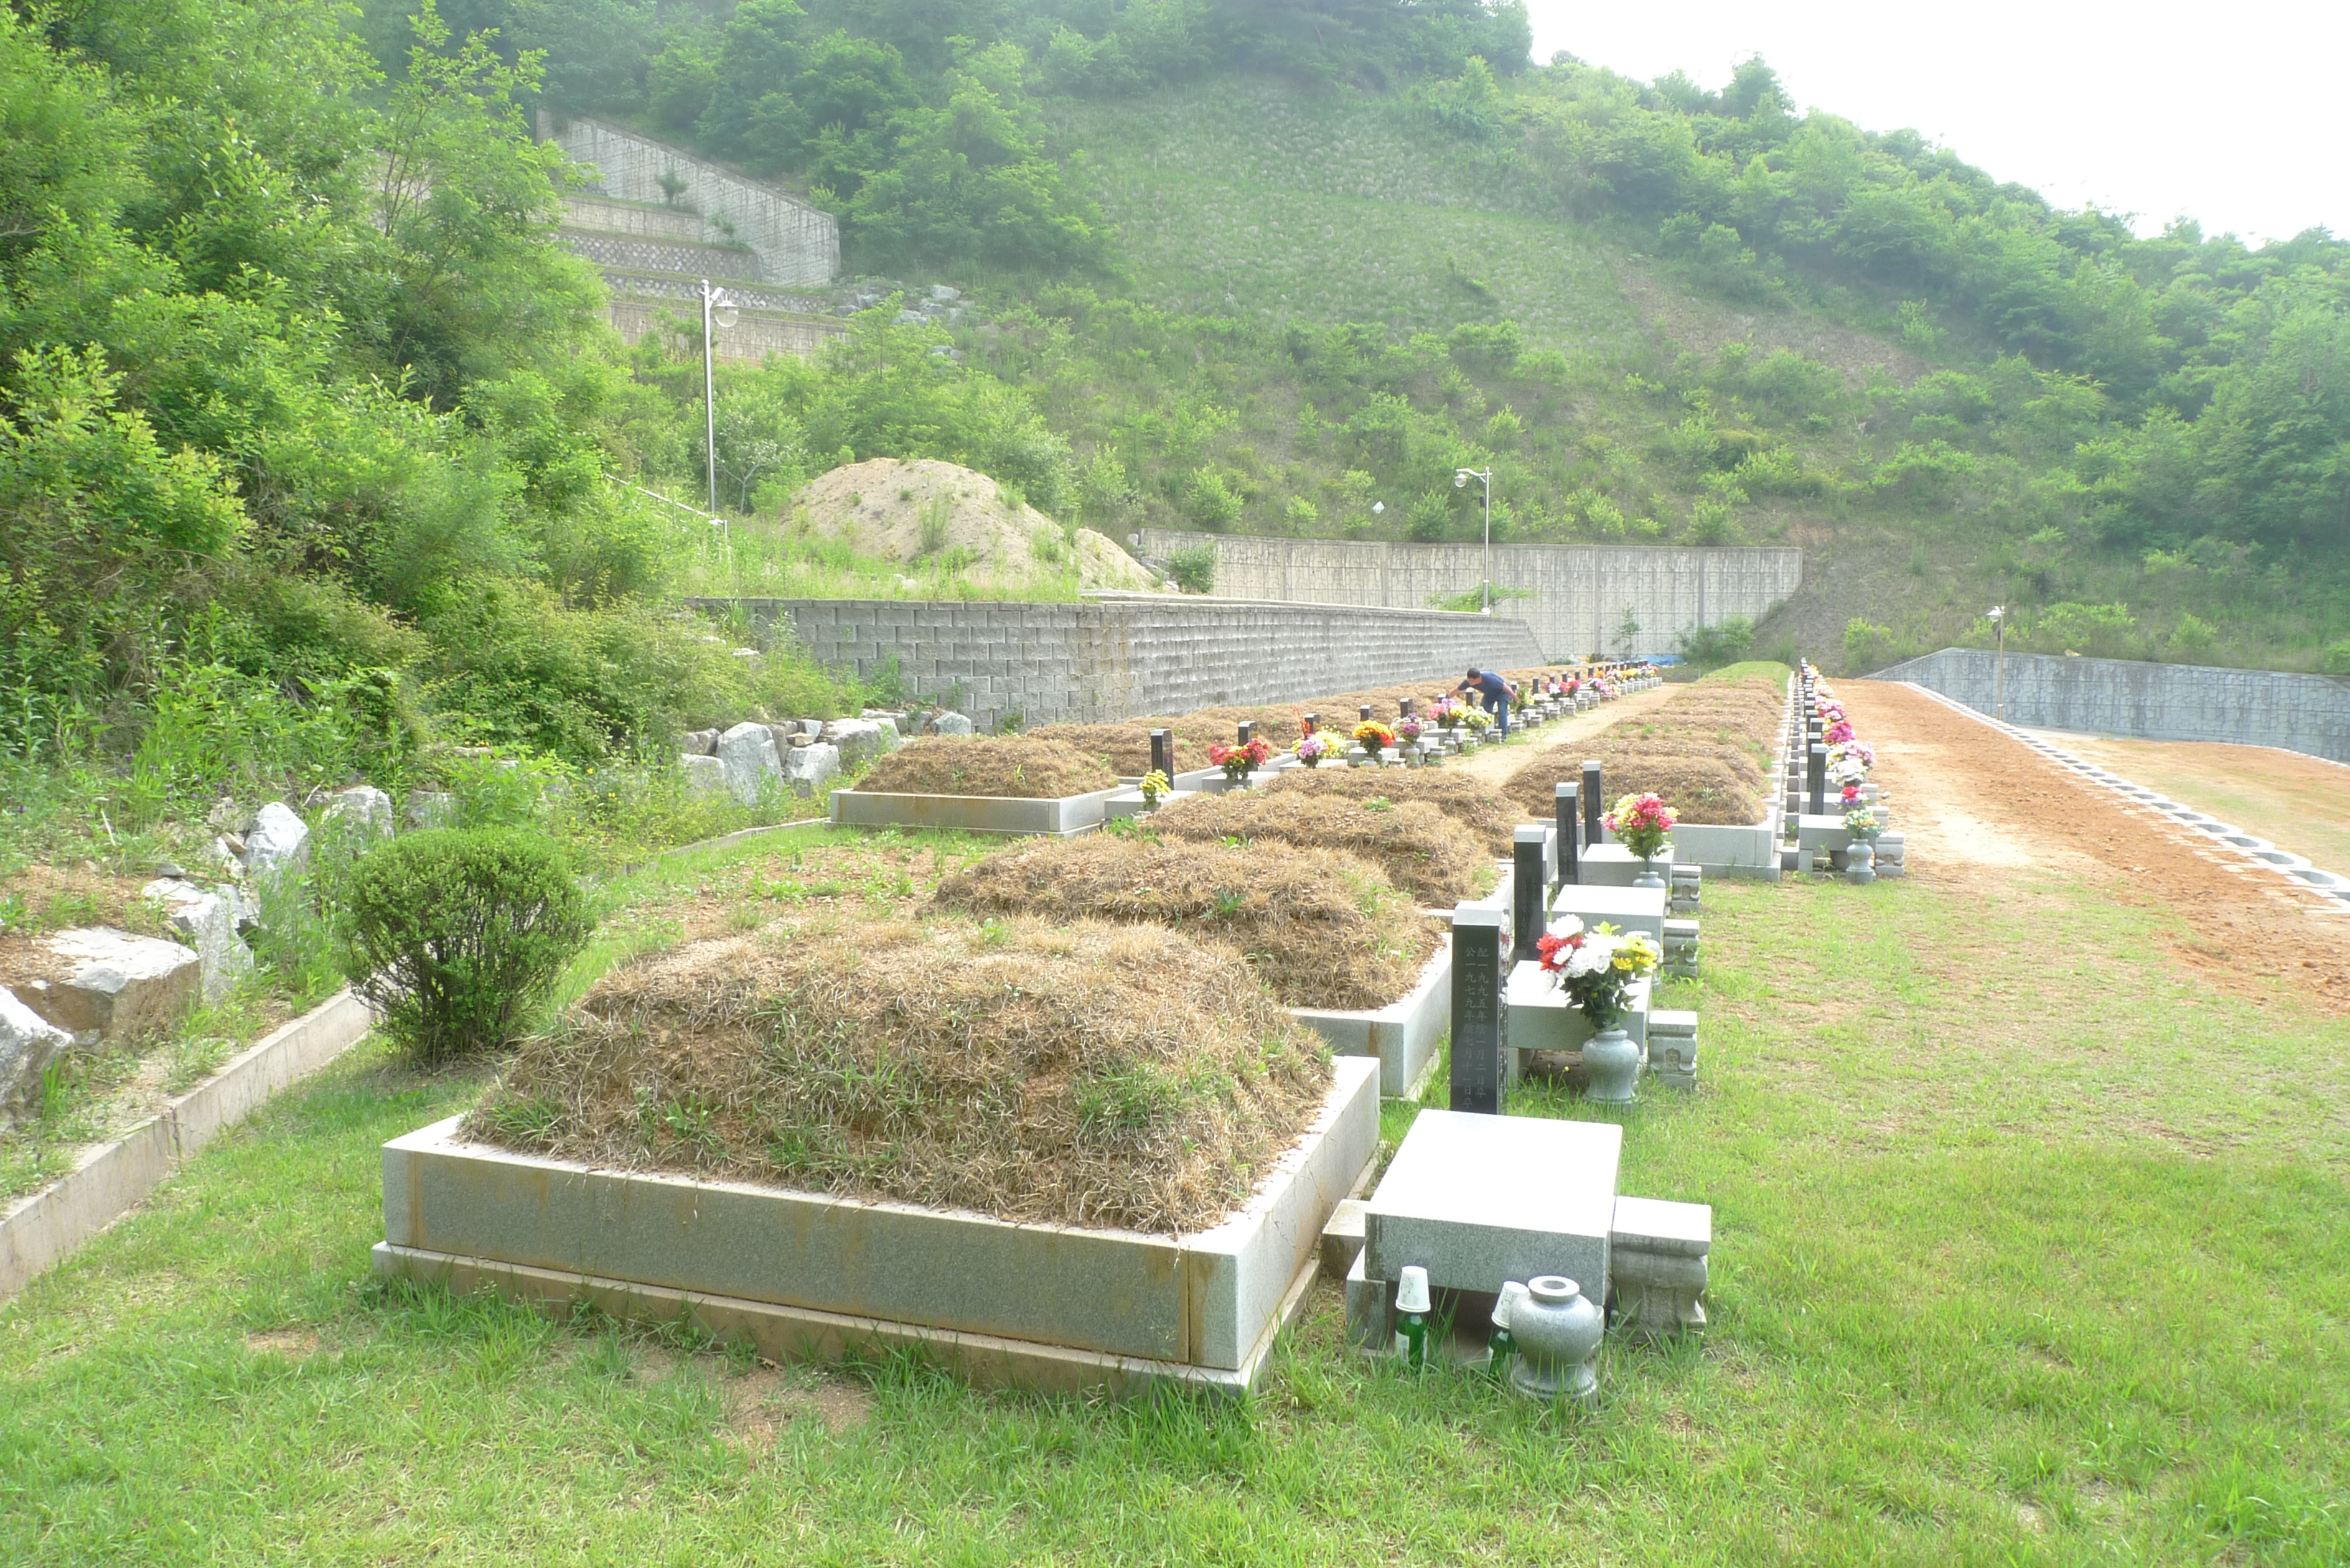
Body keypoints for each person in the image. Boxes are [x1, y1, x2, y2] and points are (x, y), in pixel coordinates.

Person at [1458, 667, 1515, 738]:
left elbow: (1505, 686)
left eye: (1472, 681)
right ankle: (1486, 734)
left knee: (1502, 713)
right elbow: (1457, 690)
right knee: (1483, 712)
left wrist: (1514, 697)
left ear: (1478, 679)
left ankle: (1503, 736)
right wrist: (1446, 701)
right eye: (1469, 680)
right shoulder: (1468, 682)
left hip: (1502, 693)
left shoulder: (1489, 678)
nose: (1470, 683)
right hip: (1490, 694)